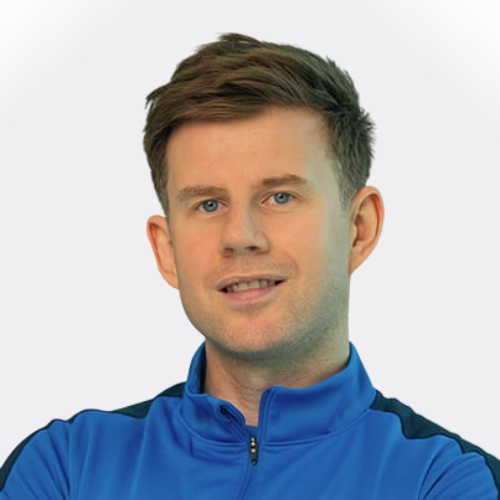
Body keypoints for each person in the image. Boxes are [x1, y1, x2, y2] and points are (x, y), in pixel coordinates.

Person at [1, 32, 498, 499]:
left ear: (358, 227)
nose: (240, 236)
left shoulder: (446, 480)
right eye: (208, 204)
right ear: (167, 249)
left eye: (279, 196)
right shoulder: (65, 468)